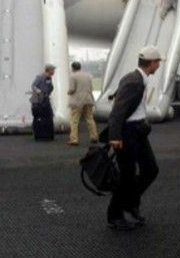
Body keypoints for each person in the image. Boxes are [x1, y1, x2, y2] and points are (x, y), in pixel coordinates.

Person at [106, 46, 162, 231]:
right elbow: (118, 109)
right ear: (152, 63)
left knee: (150, 170)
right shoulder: (134, 81)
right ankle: (115, 215)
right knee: (126, 176)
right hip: (127, 132)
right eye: (158, 62)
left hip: (138, 131)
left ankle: (130, 203)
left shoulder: (139, 79)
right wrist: (115, 136)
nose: (159, 65)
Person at [67, 61, 98, 146]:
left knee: (74, 120)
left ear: (72, 68)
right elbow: (91, 88)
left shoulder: (72, 76)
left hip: (77, 100)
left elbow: (72, 89)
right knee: (89, 118)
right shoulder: (87, 76)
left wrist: (68, 92)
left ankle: (74, 139)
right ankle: (94, 136)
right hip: (88, 99)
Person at [30, 64, 56, 140]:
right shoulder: (40, 77)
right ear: (49, 70)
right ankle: (38, 132)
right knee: (38, 116)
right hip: (37, 100)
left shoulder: (49, 78)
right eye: (53, 70)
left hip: (45, 99)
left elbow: (50, 88)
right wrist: (37, 90)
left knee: (48, 115)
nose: (54, 72)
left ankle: (47, 133)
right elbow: (33, 85)